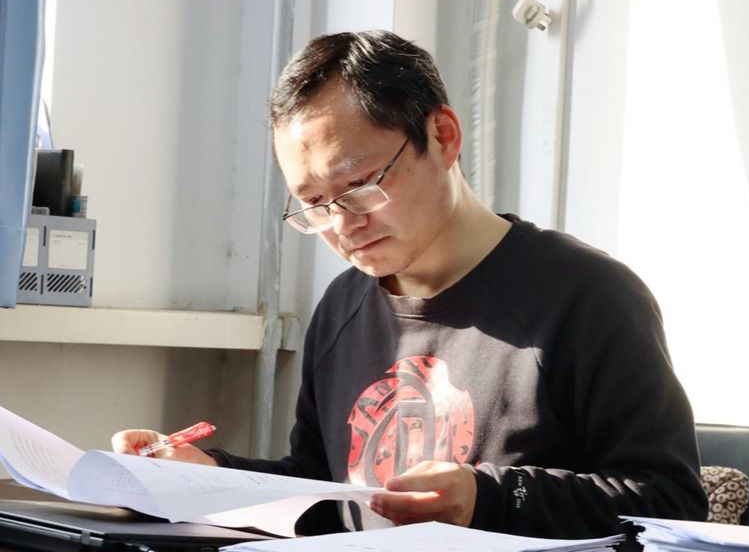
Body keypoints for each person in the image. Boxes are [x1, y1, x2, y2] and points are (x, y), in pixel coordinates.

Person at [112, 30, 708, 538]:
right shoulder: (343, 305)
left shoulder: (588, 297)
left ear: (443, 136)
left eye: (360, 185)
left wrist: (490, 499)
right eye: (313, 203)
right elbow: (324, 490)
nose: (341, 225)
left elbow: (671, 502)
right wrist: (208, 475)